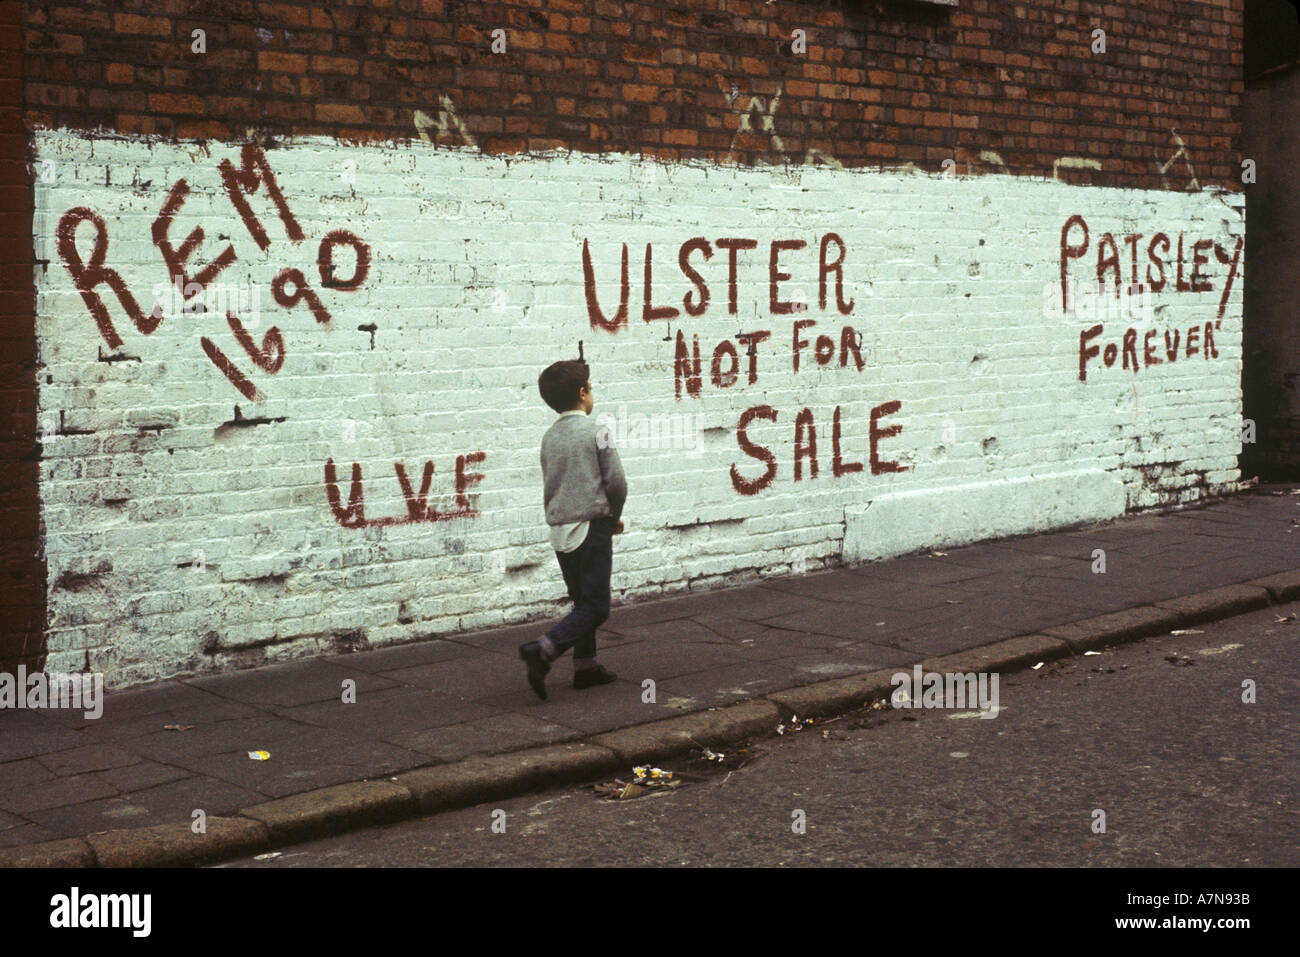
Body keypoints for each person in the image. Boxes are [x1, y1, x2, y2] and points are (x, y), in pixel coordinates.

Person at [519, 359, 626, 700]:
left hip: (560, 530)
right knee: (596, 607)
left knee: (581, 601)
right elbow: (617, 483)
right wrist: (613, 516)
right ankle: (544, 649)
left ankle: (587, 667)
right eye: (590, 387)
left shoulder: (548, 438)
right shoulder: (599, 431)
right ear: (583, 393)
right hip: (591, 525)